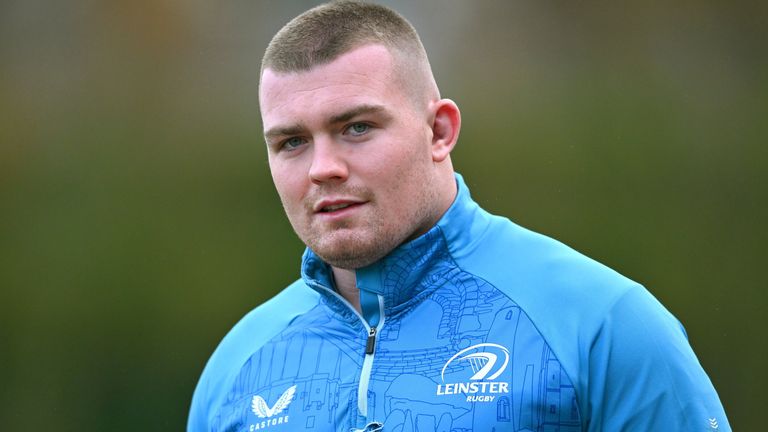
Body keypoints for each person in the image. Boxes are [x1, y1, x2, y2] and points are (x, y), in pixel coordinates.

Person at [188, 2, 730, 431]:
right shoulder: (238, 367)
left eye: (356, 127)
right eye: (291, 142)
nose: (322, 168)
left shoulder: (603, 325)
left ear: (440, 132)